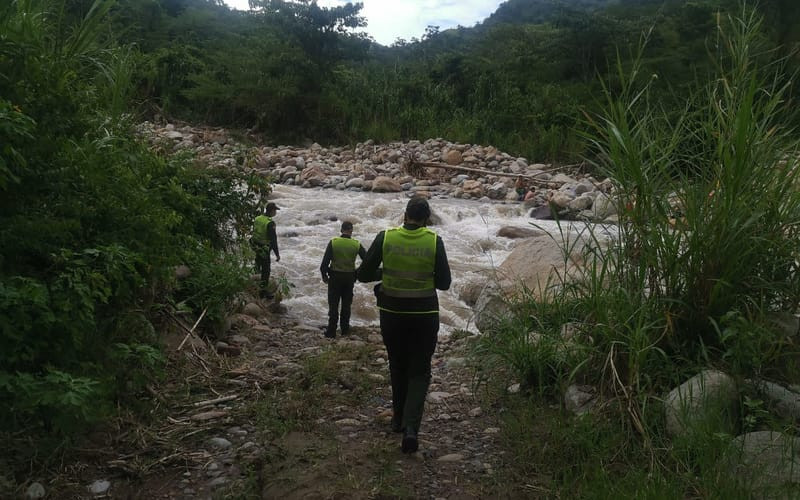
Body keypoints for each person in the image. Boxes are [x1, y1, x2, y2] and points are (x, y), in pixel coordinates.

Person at [357, 197, 451, 454]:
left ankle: (397, 420)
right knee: (420, 371)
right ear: (427, 218)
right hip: (425, 314)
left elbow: (364, 274)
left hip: (392, 313)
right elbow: (444, 283)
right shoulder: (434, 241)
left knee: (397, 364)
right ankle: (411, 429)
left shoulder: (385, 237)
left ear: (405, 214)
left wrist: (384, 274)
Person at [319, 221, 366, 338]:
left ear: (341, 230)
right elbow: (367, 260)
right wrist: (357, 272)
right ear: (351, 231)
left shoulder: (334, 242)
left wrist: (324, 276)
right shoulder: (356, 244)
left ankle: (331, 331)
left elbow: (324, 263)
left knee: (333, 304)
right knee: (346, 304)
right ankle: (345, 330)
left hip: (335, 277)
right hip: (349, 277)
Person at [251, 202, 280, 299]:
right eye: (275, 210)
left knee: (257, 264)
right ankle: (262, 292)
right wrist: (277, 254)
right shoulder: (270, 223)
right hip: (264, 248)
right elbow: (273, 240)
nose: (275, 212)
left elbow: (255, 231)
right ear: (271, 211)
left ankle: (254, 285)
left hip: (255, 245)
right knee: (266, 270)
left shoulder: (258, 218)